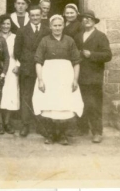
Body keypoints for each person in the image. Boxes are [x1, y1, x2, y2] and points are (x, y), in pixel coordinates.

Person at [33, 15, 84, 146]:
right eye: (54, 25)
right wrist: (40, 80)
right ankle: (50, 135)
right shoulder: (44, 41)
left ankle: (62, 135)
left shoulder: (69, 40)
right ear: (50, 27)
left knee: (64, 105)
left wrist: (75, 80)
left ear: (63, 26)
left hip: (65, 77)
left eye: (60, 25)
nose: (57, 28)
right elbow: (38, 61)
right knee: (49, 105)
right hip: (49, 77)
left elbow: (76, 62)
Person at [74, 9, 112, 144]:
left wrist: (92, 55)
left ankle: (97, 132)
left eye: (89, 18)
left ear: (94, 21)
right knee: (81, 102)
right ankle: (82, 128)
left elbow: (108, 55)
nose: (87, 20)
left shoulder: (100, 36)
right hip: (80, 75)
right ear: (82, 21)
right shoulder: (78, 36)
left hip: (94, 76)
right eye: (84, 18)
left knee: (94, 105)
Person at [14, 5, 51, 137]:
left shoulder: (47, 30)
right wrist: (25, 62)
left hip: (43, 69)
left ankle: (41, 125)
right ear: (29, 16)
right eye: (32, 15)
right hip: (27, 69)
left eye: (37, 15)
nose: (35, 18)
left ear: (41, 16)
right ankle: (25, 125)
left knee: (42, 96)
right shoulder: (22, 31)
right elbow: (16, 51)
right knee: (26, 96)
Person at [0, 14, 19, 135]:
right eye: (3, 23)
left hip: (12, 67)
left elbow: (20, 52)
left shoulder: (15, 37)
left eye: (8, 24)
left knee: (10, 94)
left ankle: (7, 122)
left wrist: (18, 65)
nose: (5, 26)